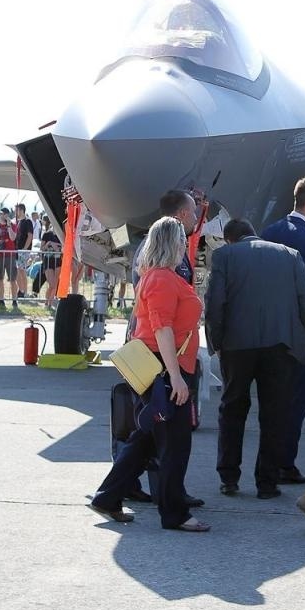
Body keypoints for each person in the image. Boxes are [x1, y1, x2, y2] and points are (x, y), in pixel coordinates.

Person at [89, 217, 209, 532]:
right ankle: (175, 514)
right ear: (172, 243)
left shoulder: (160, 276)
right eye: (181, 240)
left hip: (162, 366)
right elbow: (162, 328)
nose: (184, 245)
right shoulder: (161, 278)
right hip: (163, 368)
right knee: (174, 443)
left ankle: (108, 496)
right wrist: (176, 377)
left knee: (148, 438)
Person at [205, 219, 305, 499]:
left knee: (232, 409)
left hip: (236, 345)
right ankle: (267, 482)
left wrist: (215, 341)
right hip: (280, 345)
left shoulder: (224, 256)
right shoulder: (290, 255)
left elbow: (215, 302)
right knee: (275, 413)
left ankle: (229, 477)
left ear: (229, 239)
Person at [260, 176, 305, 485]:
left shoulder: (270, 231)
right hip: (298, 333)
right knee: (296, 401)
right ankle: (284, 463)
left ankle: (268, 463)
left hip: (268, 329)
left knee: (272, 400)